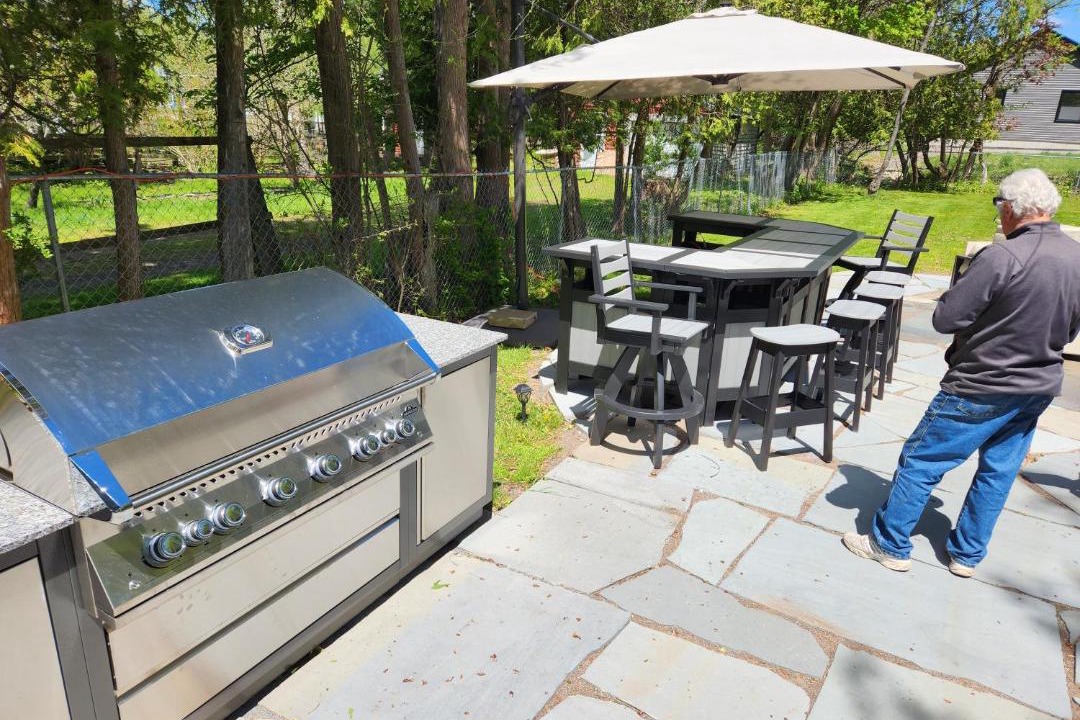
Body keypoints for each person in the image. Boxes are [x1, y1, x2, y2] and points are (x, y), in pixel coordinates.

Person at [843, 168, 1080, 577]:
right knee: (998, 472)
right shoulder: (1076, 256)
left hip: (980, 385)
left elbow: (946, 317)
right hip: (1036, 387)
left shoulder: (1003, 256)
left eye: (998, 206)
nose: (998, 215)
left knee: (921, 461)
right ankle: (966, 555)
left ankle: (889, 543)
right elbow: (1072, 327)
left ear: (1010, 208)